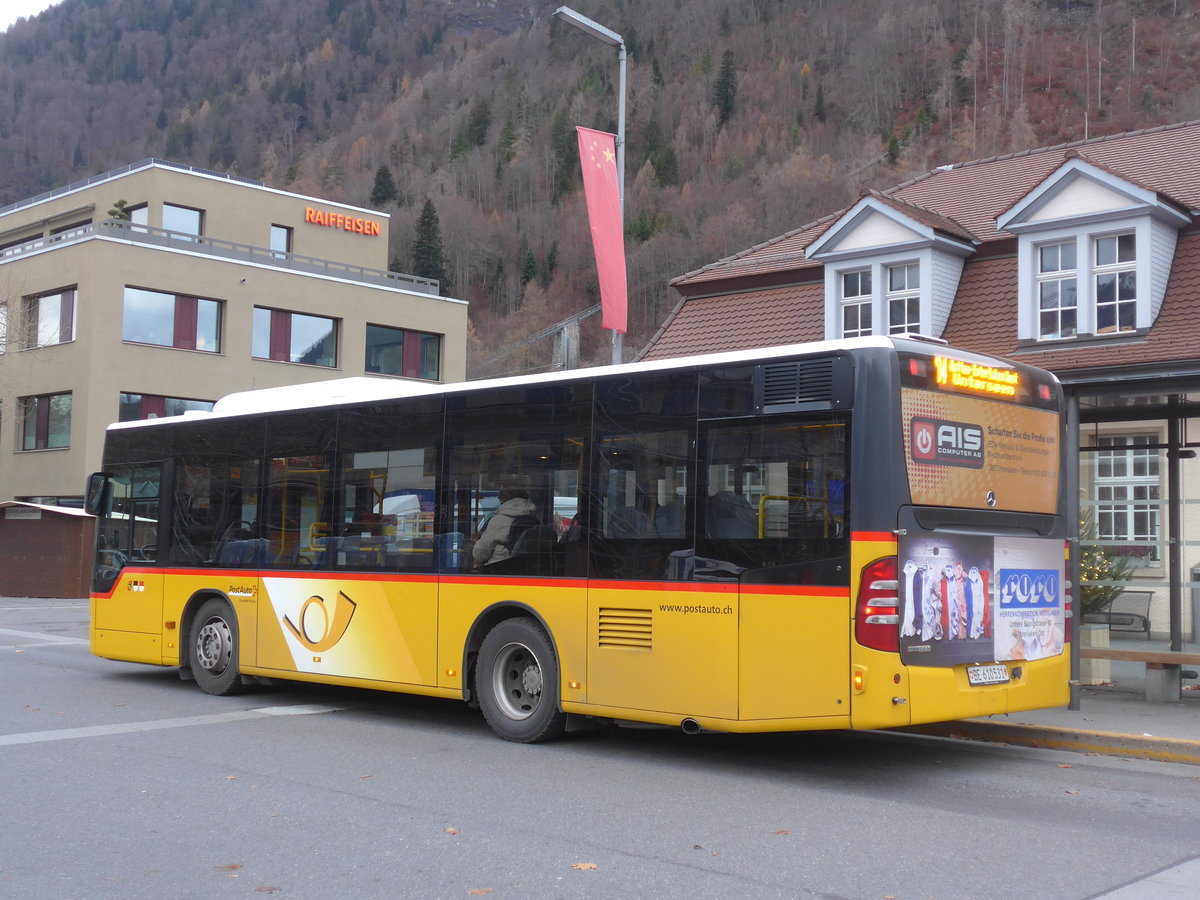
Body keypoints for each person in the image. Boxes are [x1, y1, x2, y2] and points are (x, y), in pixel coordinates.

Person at [472, 486, 537, 567]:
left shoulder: (498, 520)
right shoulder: (535, 518)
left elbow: (479, 554)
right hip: (529, 568)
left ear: (503, 500)